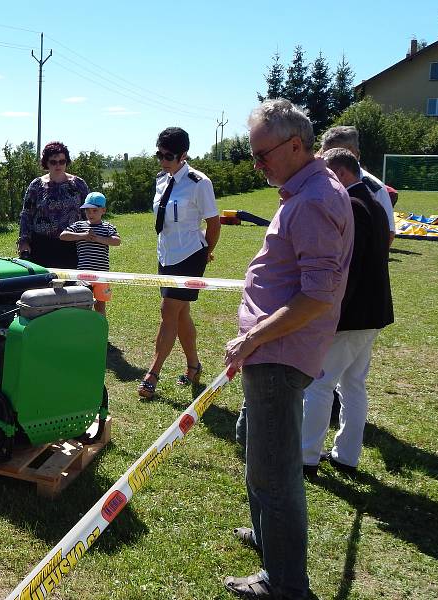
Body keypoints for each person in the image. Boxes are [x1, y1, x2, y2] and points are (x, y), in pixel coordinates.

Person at [224, 99, 353, 600]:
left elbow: (318, 296)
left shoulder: (316, 199)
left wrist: (254, 337)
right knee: (258, 454)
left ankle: (285, 584)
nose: (258, 165)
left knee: (275, 475)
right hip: (271, 353)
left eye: (262, 155)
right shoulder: (305, 190)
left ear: (296, 145)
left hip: (278, 354)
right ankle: (267, 539)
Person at [302, 148, 394, 477]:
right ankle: (346, 455)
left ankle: (306, 457)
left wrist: (329, 313)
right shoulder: (375, 201)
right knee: (353, 385)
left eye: (327, 177)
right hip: (373, 312)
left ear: (341, 174)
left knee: (319, 385)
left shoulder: (352, 206)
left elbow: (348, 268)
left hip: (351, 314)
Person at [137, 127, 220, 398]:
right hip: (166, 254)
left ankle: (153, 373)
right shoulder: (161, 180)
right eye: (158, 154)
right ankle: (194, 366)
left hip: (190, 255)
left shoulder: (199, 183)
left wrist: (208, 249)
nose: (162, 161)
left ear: (183, 155)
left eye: (168, 156)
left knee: (168, 311)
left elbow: (213, 222)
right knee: (180, 312)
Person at [17, 141, 89, 269]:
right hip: (42, 246)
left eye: (62, 161)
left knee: (72, 287)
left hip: (73, 246)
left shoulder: (78, 184)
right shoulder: (36, 185)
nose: (58, 165)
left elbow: (88, 213)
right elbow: (26, 215)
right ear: (46, 163)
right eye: (53, 162)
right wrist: (24, 241)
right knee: (42, 287)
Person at [321, 125, 396, 246]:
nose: (325, 159)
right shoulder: (320, 182)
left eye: (333, 154)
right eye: (324, 153)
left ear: (353, 153)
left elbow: (388, 234)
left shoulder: (374, 188)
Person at [59, 192, 121, 317]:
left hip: (102, 274)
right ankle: (85, 329)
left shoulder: (108, 227)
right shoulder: (79, 225)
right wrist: (84, 236)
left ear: (103, 210)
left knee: (100, 305)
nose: (90, 214)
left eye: (94, 210)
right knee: (83, 304)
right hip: (83, 275)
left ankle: (101, 329)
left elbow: (117, 241)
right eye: (88, 211)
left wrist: (98, 238)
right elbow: (63, 236)